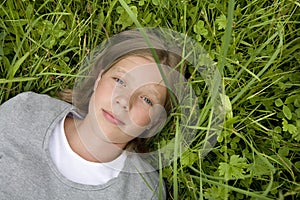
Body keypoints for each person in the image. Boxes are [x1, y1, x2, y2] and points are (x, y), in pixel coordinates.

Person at [0, 28, 184, 199]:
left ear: (155, 121)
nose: (123, 101)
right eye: (119, 80)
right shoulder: (28, 110)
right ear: (98, 80)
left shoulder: (142, 190)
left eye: (146, 99)